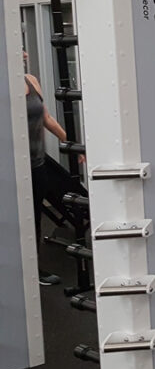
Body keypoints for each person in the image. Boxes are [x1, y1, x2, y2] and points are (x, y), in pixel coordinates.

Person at [24, 55, 84, 285]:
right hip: (15, 169)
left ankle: (33, 268)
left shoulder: (31, 80)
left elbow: (46, 118)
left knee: (34, 217)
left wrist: (73, 145)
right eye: (19, 50)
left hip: (37, 163)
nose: (25, 54)